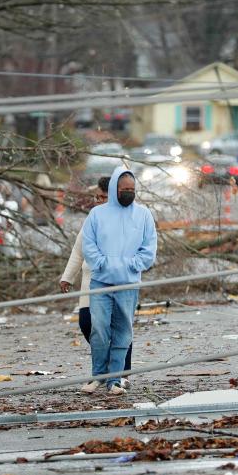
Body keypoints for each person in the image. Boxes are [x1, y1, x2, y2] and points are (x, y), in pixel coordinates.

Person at [80, 166, 157, 395]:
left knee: (123, 331)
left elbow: (149, 248)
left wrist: (131, 266)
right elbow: (88, 245)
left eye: (132, 189)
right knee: (100, 330)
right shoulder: (97, 214)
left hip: (128, 284)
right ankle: (98, 376)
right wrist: (103, 264)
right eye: (125, 189)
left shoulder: (143, 214)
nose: (129, 192)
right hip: (101, 283)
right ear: (115, 188)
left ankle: (115, 380)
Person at [59, 176, 133, 380]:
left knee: (120, 328)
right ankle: (108, 364)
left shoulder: (127, 218)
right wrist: (67, 277)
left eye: (102, 197)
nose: (98, 201)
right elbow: (78, 249)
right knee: (87, 323)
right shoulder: (93, 218)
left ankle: (121, 374)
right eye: (97, 197)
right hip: (90, 282)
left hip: (118, 282)